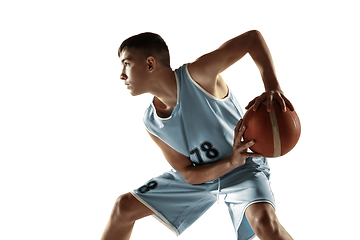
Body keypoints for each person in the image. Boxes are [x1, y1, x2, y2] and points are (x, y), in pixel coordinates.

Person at [101, 30, 294, 240]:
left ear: (150, 64)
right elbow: (188, 174)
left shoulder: (199, 75)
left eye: (126, 63)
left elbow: (252, 39)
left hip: (245, 168)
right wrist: (229, 162)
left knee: (264, 222)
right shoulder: (151, 121)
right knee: (124, 206)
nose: (121, 74)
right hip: (206, 174)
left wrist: (273, 86)